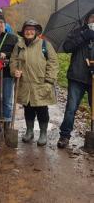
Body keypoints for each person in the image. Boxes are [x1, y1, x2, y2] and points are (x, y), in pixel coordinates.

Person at [10, 20, 58, 146]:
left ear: (36, 32)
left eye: (32, 29)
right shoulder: (19, 45)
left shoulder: (45, 44)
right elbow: (13, 61)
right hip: (25, 84)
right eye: (27, 29)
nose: (29, 32)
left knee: (42, 109)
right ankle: (29, 131)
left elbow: (53, 63)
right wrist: (14, 71)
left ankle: (43, 133)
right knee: (28, 108)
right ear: (23, 32)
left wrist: (49, 81)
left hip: (41, 83)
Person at [58, 11, 94, 148]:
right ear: (87, 19)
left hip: (93, 78)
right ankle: (64, 136)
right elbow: (67, 47)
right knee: (71, 108)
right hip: (77, 77)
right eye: (92, 17)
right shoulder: (78, 32)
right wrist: (83, 36)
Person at [0, 15, 18, 136]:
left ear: (5, 25)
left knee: (7, 99)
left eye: (1, 23)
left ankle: (7, 123)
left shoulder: (13, 38)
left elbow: (17, 54)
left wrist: (5, 54)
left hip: (7, 74)